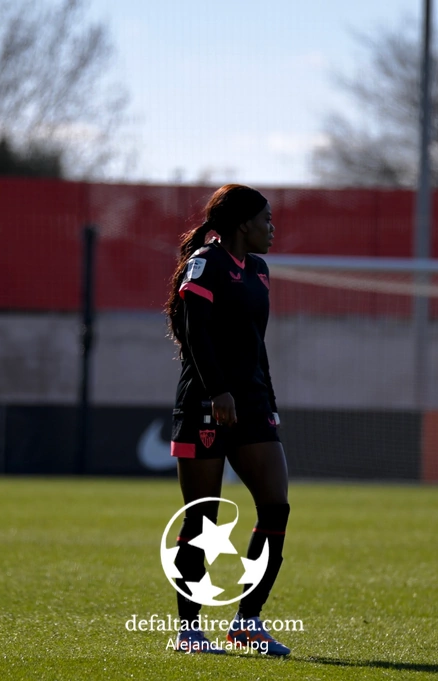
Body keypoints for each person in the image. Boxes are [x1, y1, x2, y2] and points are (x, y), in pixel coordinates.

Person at [164, 184, 291, 656]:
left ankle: (246, 622)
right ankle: (189, 630)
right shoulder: (206, 262)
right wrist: (217, 390)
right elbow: (195, 332)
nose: (272, 228)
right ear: (243, 224)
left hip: (253, 404)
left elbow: (257, 346)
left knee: (276, 507)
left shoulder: (259, 271)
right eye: (267, 219)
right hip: (204, 401)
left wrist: (268, 399)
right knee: (202, 518)